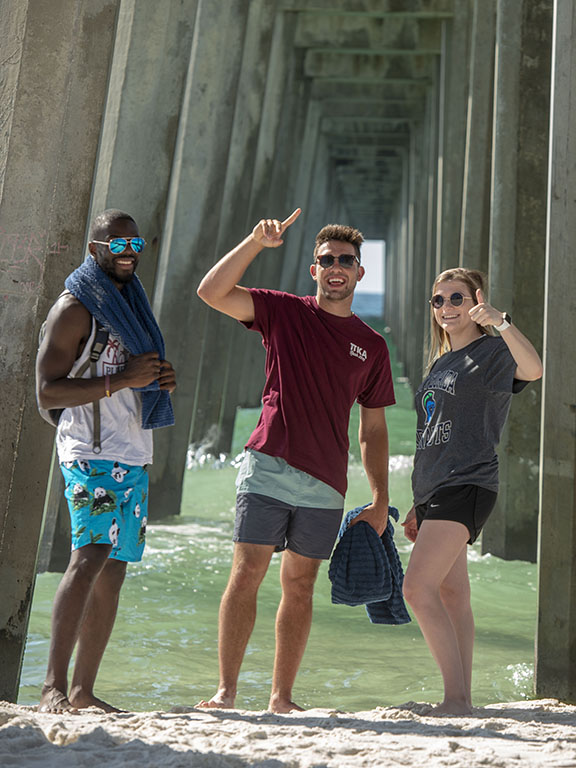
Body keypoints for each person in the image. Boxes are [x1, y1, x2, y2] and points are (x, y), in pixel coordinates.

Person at [196, 208, 395, 713]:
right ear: (313, 270)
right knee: (246, 574)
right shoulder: (282, 311)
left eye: (345, 260)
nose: (335, 267)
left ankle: (281, 698)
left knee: (300, 585)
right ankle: (226, 692)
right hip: (267, 463)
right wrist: (254, 243)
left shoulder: (372, 347)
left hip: (326, 483)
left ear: (359, 272)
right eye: (326, 259)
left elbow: (371, 430)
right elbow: (212, 292)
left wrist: (379, 498)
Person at [35, 209, 176, 713]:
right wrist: (124, 380)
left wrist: (157, 379)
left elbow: (135, 369)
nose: (128, 253)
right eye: (117, 245)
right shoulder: (75, 308)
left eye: (134, 244)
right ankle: (51, 686)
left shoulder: (131, 304)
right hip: (88, 452)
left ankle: (82, 690)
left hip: (133, 451)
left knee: (114, 568)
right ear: (95, 250)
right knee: (89, 555)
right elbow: (47, 392)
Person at [401, 267, 543, 716]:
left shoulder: (491, 353)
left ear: (475, 301)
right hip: (436, 491)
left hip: (468, 483)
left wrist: (499, 321)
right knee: (452, 595)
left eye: (456, 299)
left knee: (416, 589)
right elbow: (430, 437)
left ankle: (456, 698)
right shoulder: (439, 363)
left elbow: (535, 369)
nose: (446, 308)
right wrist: (417, 502)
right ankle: (462, 700)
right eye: (438, 301)